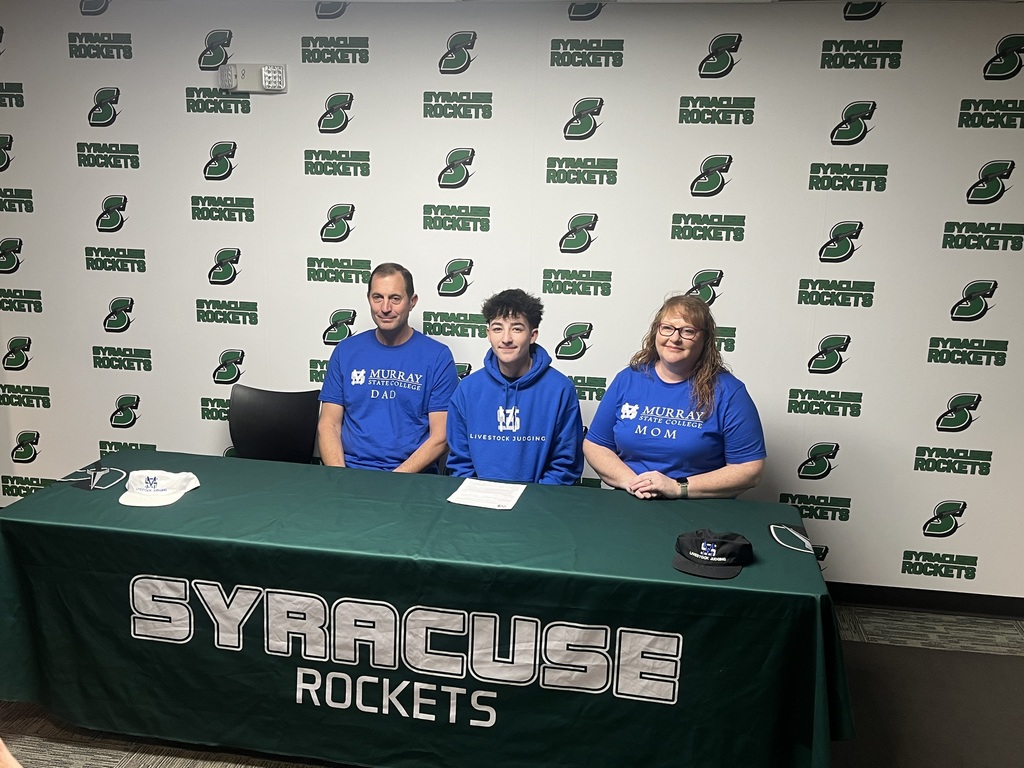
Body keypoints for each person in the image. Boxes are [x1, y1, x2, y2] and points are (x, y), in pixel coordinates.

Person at [583, 294, 765, 499]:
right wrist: (633, 483)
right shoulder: (628, 379)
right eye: (667, 328)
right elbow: (596, 445)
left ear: (705, 339)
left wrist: (678, 487)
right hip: (631, 499)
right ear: (656, 331)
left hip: (698, 508)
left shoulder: (729, 392)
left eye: (688, 331)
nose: (675, 338)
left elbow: (749, 468)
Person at [318, 262, 458, 472]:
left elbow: (441, 437)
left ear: (412, 302)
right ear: (369, 299)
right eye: (378, 297)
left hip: (411, 478)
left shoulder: (437, 356)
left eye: (395, 298)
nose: (385, 308)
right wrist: (340, 477)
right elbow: (329, 425)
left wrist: (393, 480)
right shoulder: (345, 351)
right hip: (351, 473)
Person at [446, 288, 583, 484]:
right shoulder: (468, 389)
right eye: (497, 328)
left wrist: (533, 502)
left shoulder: (560, 389)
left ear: (533, 335)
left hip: (538, 506)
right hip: (477, 503)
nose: (506, 338)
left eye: (517, 328)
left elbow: (565, 465)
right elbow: (460, 462)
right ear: (488, 334)